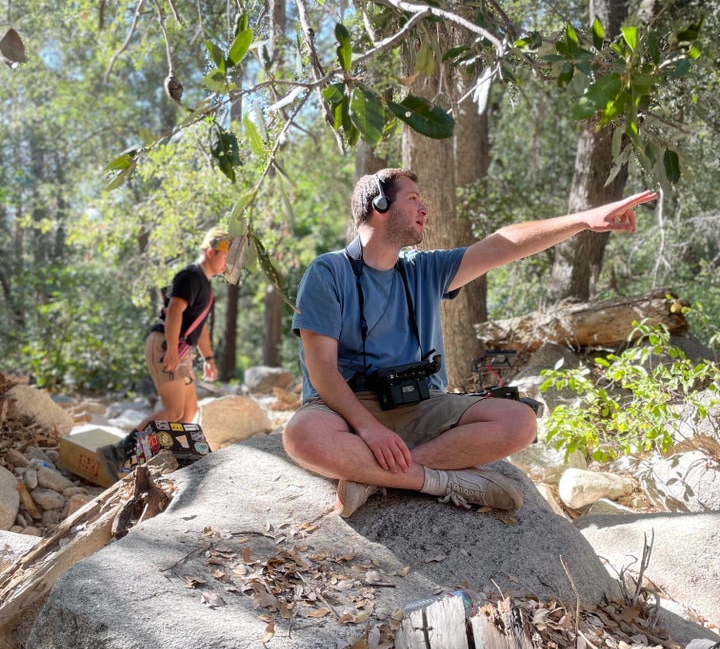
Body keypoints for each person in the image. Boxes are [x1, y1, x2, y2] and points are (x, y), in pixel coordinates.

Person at [282, 167, 657, 518]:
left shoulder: (424, 269)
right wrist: (370, 430)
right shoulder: (327, 272)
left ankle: (371, 477)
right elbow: (323, 371)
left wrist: (582, 220)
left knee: (520, 421)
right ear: (379, 206)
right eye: (413, 199)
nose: (424, 208)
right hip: (344, 409)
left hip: (422, 404)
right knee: (301, 435)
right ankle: (443, 480)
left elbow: (501, 246)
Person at [99, 226, 230, 479]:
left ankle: (170, 458)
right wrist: (170, 349)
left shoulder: (205, 285)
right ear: (211, 252)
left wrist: (209, 358)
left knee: (188, 411)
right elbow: (174, 312)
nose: (229, 263)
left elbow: (199, 328)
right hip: (165, 344)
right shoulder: (190, 276)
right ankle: (118, 454)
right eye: (226, 256)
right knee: (172, 410)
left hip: (181, 349)